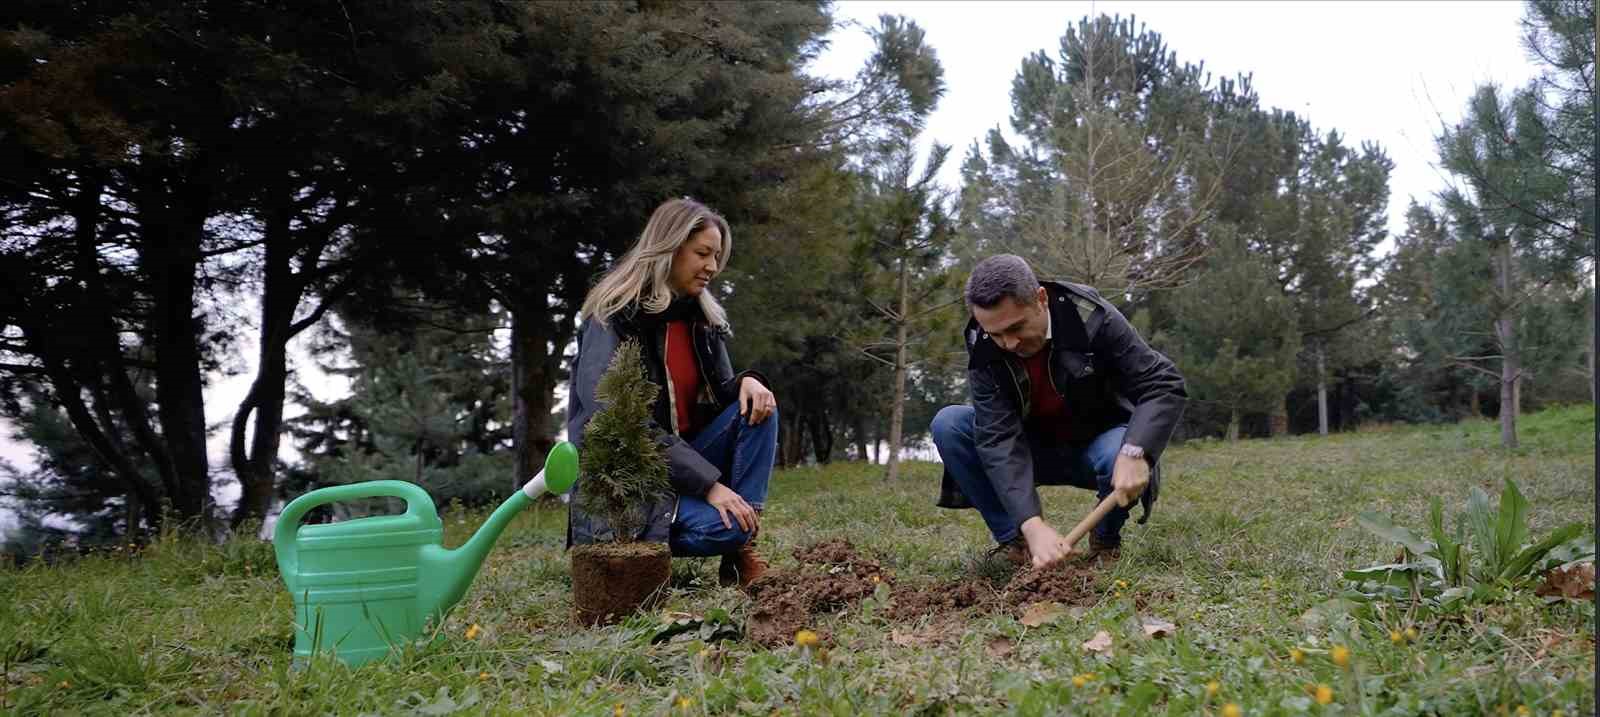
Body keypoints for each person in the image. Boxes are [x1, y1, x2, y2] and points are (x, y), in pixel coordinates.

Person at [566, 197, 778, 588]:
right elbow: (614, 422)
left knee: (759, 404)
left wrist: (748, 381)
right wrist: (710, 486)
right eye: (702, 254)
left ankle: (743, 550)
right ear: (669, 248)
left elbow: (718, 400)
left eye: (717, 256)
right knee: (724, 528)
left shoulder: (700, 319)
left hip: (681, 463)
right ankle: (722, 536)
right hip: (629, 485)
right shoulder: (613, 316)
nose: (712, 267)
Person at [931, 254, 1187, 569]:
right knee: (949, 425)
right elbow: (997, 437)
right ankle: (1019, 543)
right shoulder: (983, 343)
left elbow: (1163, 382)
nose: (1008, 343)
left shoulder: (1093, 318)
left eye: (1016, 327)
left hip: (1100, 447)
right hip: (1033, 451)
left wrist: (1137, 451)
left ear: (1040, 299)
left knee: (1119, 449)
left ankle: (1105, 542)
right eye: (996, 334)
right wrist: (1030, 522)